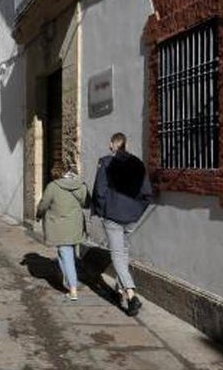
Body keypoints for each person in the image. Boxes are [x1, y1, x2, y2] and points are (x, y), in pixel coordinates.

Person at [91, 133, 153, 316]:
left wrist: (103, 211)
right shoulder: (138, 163)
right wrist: (137, 211)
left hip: (113, 217)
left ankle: (131, 295)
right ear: (126, 144)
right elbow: (147, 193)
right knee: (124, 251)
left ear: (112, 145)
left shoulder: (106, 162)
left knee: (117, 255)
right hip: (132, 217)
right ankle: (119, 290)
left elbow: (100, 190)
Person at [36, 163, 89, 301]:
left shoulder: (53, 187)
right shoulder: (80, 185)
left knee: (66, 255)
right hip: (75, 226)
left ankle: (73, 289)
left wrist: (39, 213)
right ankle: (69, 281)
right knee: (64, 252)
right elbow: (86, 203)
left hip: (59, 226)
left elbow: (44, 204)